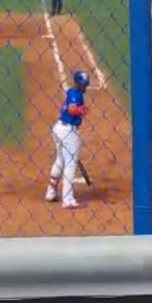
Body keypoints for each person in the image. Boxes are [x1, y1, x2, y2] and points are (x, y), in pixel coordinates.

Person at [45, 70, 90, 209]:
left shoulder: (72, 92)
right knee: (70, 164)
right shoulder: (76, 95)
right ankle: (68, 200)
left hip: (59, 129)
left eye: (85, 84)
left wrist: (81, 109)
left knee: (60, 160)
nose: (84, 87)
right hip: (68, 131)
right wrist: (82, 110)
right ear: (77, 83)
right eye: (83, 84)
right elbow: (72, 110)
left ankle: (51, 192)